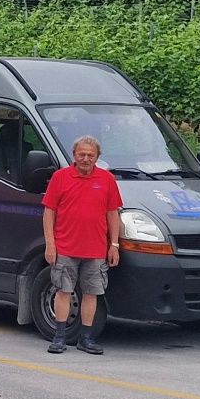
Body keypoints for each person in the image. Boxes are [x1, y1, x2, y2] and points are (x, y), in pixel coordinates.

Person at [41, 134, 122, 355]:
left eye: (90, 155)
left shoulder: (107, 179)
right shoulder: (60, 177)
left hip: (96, 250)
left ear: (97, 157)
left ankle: (86, 339)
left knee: (91, 294)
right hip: (65, 248)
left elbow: (112, 214)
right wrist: (50, 244)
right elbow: (49, 212)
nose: (86, 159)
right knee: (63, 291)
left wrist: (114, 244)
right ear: (74, 155)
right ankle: (59, 337)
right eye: (81, 154)